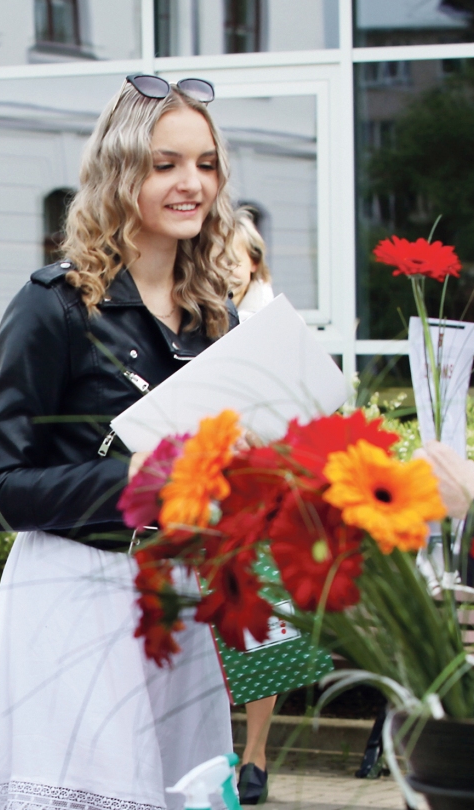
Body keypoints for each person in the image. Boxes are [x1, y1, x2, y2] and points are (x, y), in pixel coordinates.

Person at [0, 74, 238, 810]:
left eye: (206, 164)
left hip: (177, 601)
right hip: (74, 603)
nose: (193, 184)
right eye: (166, 164)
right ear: (121, 173)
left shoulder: (217, 318)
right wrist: (134, 482)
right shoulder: (52, 307)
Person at [223, 206, 276, 804]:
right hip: (206, 499)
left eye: (233, 261)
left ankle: (255, 753)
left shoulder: (270, 323)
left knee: (265, 629)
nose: (225, 270)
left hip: (260, 493)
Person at [227, 207, 274, 323]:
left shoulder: (275, 319)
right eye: (215, 263)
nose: (223, 271)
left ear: (254, 262)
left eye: (231, 262)